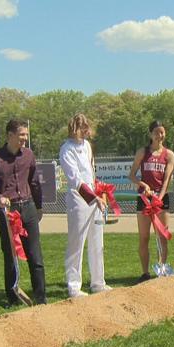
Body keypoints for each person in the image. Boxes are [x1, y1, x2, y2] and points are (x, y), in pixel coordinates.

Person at [0, 119, 46, 306]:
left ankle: (41, 297)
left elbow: (34, 182)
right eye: (21, 134)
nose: (25, 138)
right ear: (10, 135)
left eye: (26, 134)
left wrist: (39, 206)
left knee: (35, 255)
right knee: (10, 255)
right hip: (8, 211)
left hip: (28, 208)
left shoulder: (29, 155)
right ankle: (13, 297)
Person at [60, 113, 111, 297]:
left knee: (97, 241)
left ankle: (98, 283)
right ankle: (74, 286)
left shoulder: (87, 146)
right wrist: (91, 196)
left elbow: (91, 171)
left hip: (94, 196)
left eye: (87, 127)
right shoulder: (67, 149)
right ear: (75, 128)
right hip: (78, 198)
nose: (86, 131)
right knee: (77, 242)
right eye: (83, 127)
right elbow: (74, 178)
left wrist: (100, 194)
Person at [129, 120, 174, 282]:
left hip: (161, 200)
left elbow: (167, 179)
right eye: (156, 132)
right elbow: (132, 175)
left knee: (162, 236)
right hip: (144, 198)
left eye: (162, 132)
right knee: (144, 237)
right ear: (150, 134)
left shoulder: (169, 155)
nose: (159, 135)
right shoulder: (143, 152)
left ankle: (161, 270)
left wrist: (159, 198)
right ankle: (145, 273)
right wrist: (143, 185)